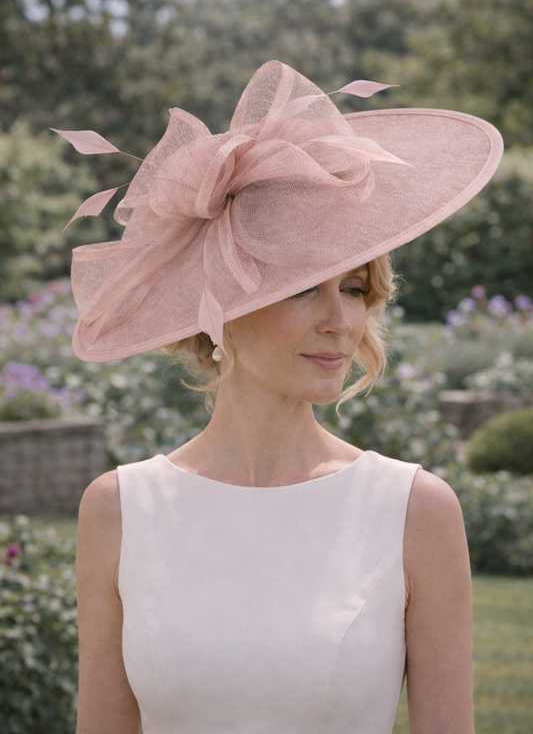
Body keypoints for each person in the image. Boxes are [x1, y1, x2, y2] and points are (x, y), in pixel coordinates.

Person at [59, 61, 503, 734]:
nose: (341, 321)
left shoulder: (414, 511)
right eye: (303, 288)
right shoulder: (119, 509)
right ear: (224, 307)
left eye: (354, 288)